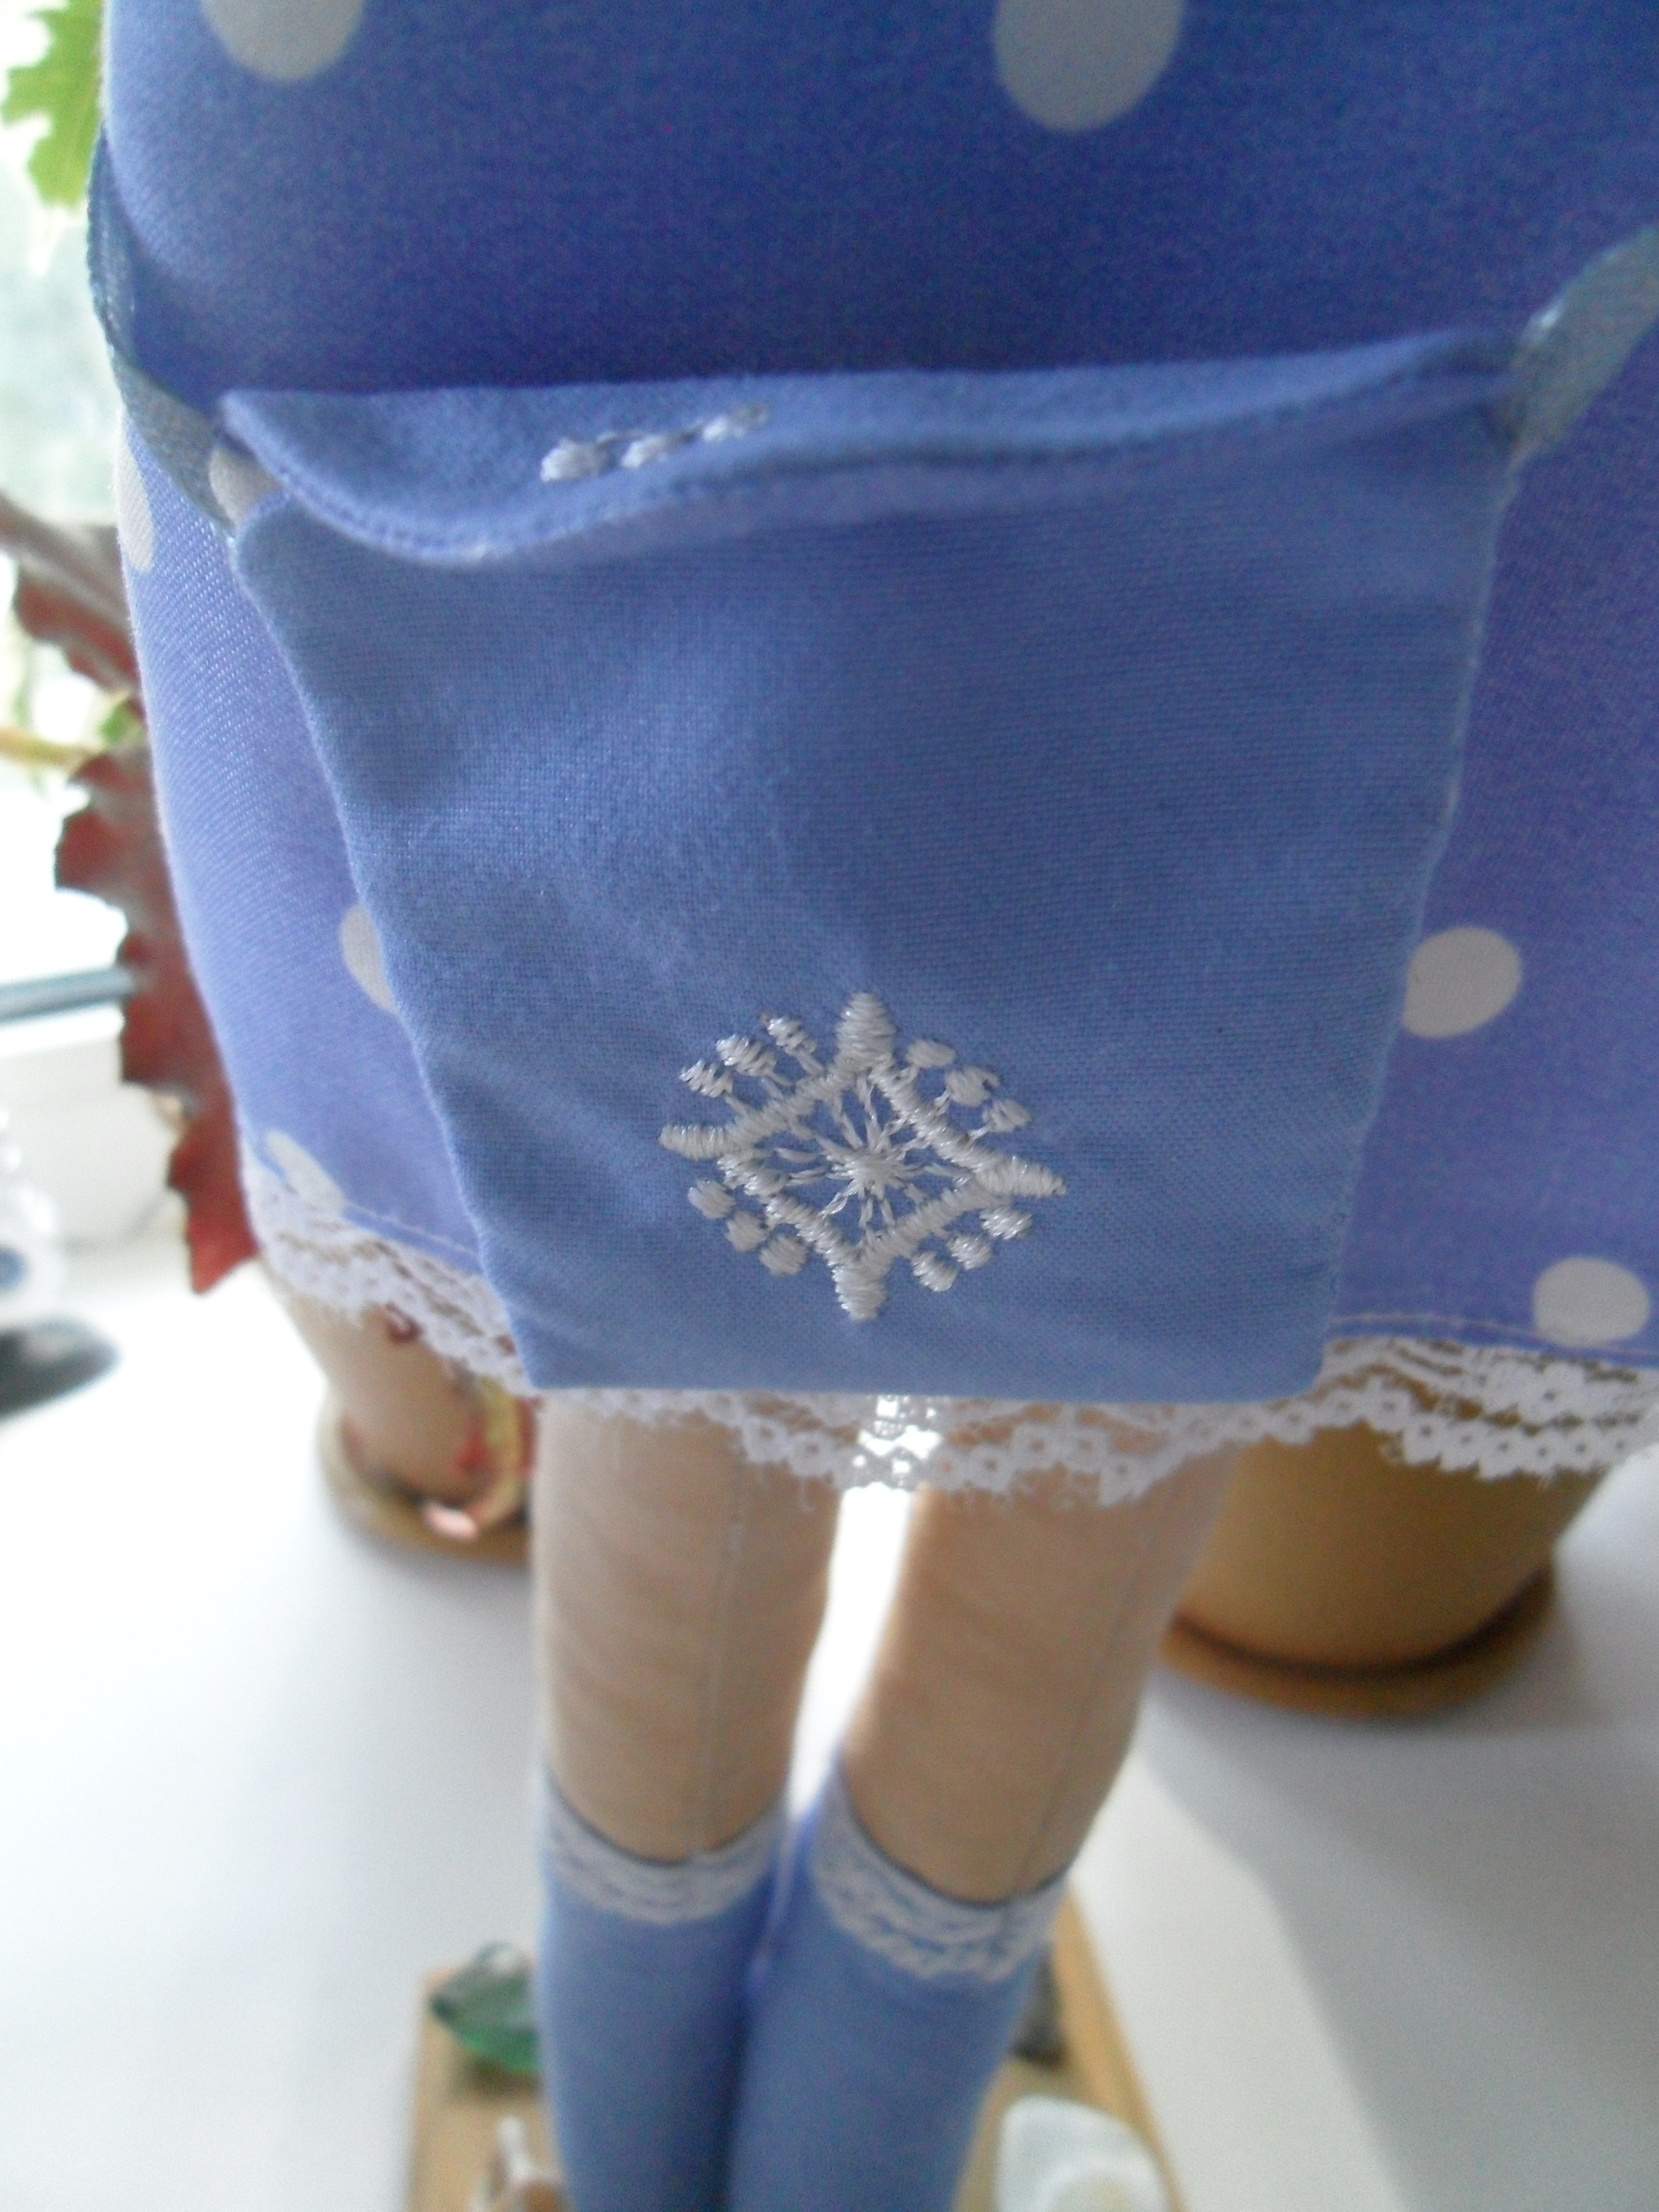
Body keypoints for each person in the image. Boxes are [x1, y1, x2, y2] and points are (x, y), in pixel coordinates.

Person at [99, 5, 1659, 2207]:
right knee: (931, 1297)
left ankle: (806, 2082)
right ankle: (700, 2078)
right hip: (506, 200)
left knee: (1076, 1275)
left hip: (1422, 201)